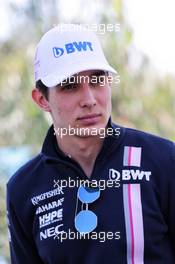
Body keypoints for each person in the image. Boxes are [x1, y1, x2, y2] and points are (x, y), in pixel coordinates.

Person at [7, 24, 175, 264]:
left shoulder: (162, 160)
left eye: (97, 80)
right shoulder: (24, 189)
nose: (89, 99)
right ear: (42, 99)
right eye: (70, 86)